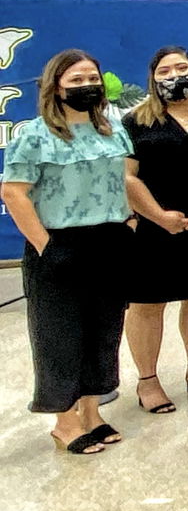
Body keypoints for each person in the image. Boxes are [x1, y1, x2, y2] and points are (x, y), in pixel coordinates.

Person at [2, 50, 135, 454]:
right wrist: (46, 245)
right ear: (55, 87)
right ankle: (65, 421)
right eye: (75, 80)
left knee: (103, 331)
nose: (85, 86)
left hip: (109, 240)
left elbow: (124, 178)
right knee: (60, 334)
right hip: (59, 243)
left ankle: (92, 412)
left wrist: (131, 222)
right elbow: (13, 191)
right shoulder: (35, 134)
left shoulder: (113, 128)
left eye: (91, 78)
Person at [121, 45, 188, 414]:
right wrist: (157, 215)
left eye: (181, 68)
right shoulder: (136, 120)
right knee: (147, 305)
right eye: (164, 71)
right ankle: (147, 381)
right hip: (153, 228)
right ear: (153, 79)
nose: (174, 76)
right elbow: (127, 177)